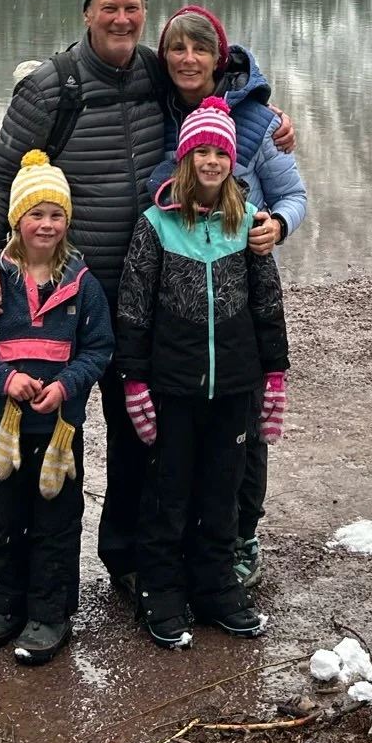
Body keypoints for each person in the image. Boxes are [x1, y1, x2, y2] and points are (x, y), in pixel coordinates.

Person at [0, 0, 170, 591]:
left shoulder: (159, 72)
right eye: (109, 6)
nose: (121, 18)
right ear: (87, 12)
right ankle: (38, 579)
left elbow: (223, 84)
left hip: (141, 296)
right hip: (64, 297)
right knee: (51, 429)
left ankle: (127, 559)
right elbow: (0, 178)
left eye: (132, 6)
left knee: (139, 432)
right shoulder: (53, 86)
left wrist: (271, 119)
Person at [115, 98, 289, 649]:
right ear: (185, 161)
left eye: (220, 152)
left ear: (232, 160)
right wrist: (135, 381)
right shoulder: (156, 225)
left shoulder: (248, 223)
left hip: (234, 384)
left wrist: (275, 374)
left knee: (222, 490)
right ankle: (161, 592)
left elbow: (267, 302)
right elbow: (135, 309)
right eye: (200, 152)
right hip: (173, 386)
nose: (211, 162)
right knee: (169, 493)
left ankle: (216, 587)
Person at [150, 5, 306, 590]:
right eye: (177, 50)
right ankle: (188, 537)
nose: (189, 61)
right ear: (163, 58)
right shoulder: (154, 110)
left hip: (243, 291)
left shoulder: (261, 122)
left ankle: (242, 533)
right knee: (185, 422)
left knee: (244, 420)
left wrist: (279, 227)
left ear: (221, 58)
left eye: (201, 51)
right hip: (179, 291)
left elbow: (293, 193)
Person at [0, 148, 114, 664]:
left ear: (67, 220)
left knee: (56, 522)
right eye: (35, 214)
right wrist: (7, 378)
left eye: (56, 214)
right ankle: (3, 606)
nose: (46, 225)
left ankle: (49, 614)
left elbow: (99, 350)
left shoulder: (82, 285)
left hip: (58, 431)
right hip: (0, 427)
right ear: (16, 221)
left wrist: (67, 387)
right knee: (7, 516)